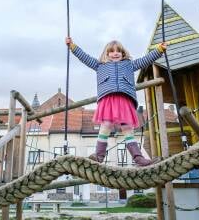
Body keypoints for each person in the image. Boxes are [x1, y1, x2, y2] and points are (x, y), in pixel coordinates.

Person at [65, 37, 167, 166]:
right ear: (106, 54)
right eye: (112, 51)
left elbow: (144, 60)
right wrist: (73, 47)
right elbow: (85, 58)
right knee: (105, 126)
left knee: (127, 129)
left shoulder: (129, 65)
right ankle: (99, 156)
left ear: (123, 53)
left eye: (118, 51)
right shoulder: (99, 65)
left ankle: (138, 158)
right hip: (108, 99)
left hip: (124, 100)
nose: (115, 53)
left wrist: (159, 50)